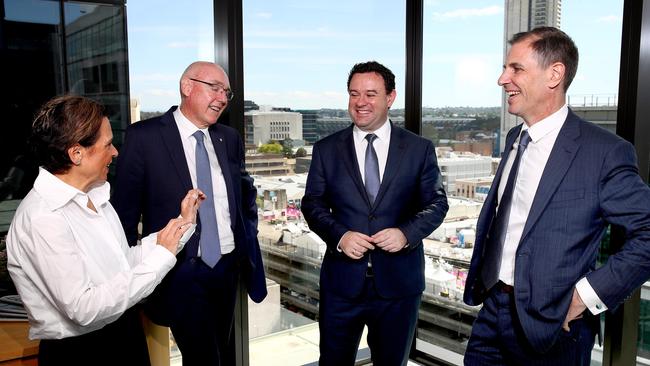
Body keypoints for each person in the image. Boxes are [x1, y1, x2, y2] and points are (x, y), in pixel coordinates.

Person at [463, 27, 650, 365]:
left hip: (555, 328)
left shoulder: (604, 152)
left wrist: (585, 297)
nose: (502, 79)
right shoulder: (513, 138)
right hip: (492, 312)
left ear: (554, 74)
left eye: (516, 69)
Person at [6, 95, 204, 366]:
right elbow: (84, 309)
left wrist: (181, 225)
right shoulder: (43, 217)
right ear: (76, 153)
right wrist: (163, 256)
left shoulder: (96, 196)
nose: (115, 152)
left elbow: (122, 265)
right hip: (82, 353)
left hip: (124, 335)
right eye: (108, 144)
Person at [111, 61, 267, 365]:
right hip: (181, 272)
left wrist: (245, 242)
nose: (222, 98)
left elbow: (243, 197)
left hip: (226, 269)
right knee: (205, 358)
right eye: (215, 88)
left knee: (221, 352)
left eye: (227, 92)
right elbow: (125, 215)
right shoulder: (145, 137)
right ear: (187, 87)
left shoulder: (229, 138)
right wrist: (127, 277)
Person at [301, 61, 449, 366]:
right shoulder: (326, 149)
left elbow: (437, 203)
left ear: (390, 98)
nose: (360, 103)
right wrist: (340, 235)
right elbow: (312, 204)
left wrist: (406, 233)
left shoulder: (419, 149)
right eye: (354, 94)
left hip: (399, 288)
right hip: (342, 286)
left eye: (370, 94)